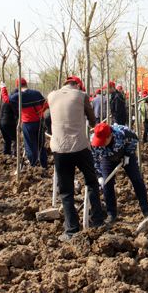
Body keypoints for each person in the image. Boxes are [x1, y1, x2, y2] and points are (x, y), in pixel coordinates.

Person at [46, 76, 106, 241]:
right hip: (79, 146)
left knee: (66, 191)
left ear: (64, 84)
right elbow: (93, 121)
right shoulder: (81, 96)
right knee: (92, 182)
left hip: (59, 148)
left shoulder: (51, 96)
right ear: (78, 85)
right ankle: (97, 220)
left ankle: (71, 230)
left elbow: (46, 117)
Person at [91, 122, 148, 223]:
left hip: (125, 155)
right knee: (106, 184)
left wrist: (127, 154)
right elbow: (94, 159)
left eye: (103, 141)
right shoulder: (93, 141)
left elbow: (134, 139)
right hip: (107, 158)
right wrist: (99, 175)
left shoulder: (123, 133)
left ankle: (146, 210)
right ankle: (111, 213)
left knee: (137, 180)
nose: (100, 143)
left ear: (110, 136)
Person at [1, 78, 48, 168]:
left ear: (17, 86)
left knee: (30, 146)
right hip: (40, 123)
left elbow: (6, 100)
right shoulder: (37, 93)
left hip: (28, 124)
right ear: (26, 84)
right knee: (41, 145)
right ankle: (44, 165)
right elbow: (45, 104)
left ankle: (34, 165)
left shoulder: (18, 95)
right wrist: (40, 112)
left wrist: (3, 88)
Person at [0, 92, 18, 156]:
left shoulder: (5, 102)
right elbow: (16, 113)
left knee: (7, 139)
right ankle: (15, 153)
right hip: (8, 123)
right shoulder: (12, 102)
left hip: (1, 122)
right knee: (15, 138)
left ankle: (6, 152)